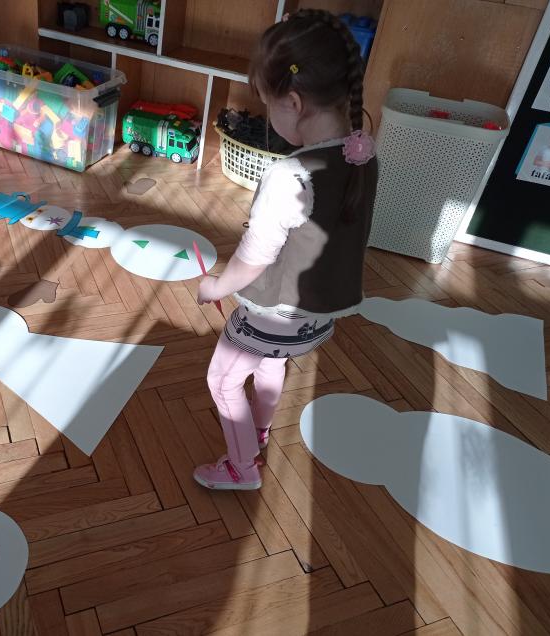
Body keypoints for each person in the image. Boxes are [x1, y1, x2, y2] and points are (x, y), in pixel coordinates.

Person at [192, 9, 379, 490]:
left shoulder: (288, 176)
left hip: (272, 314)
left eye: (268, 103)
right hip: (317, 317)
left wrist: (214, 287)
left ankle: (241, 468)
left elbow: (252, 260)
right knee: (271, 362)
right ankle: (257, 433)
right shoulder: (362, 152)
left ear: (293, 102)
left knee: (223, 380)